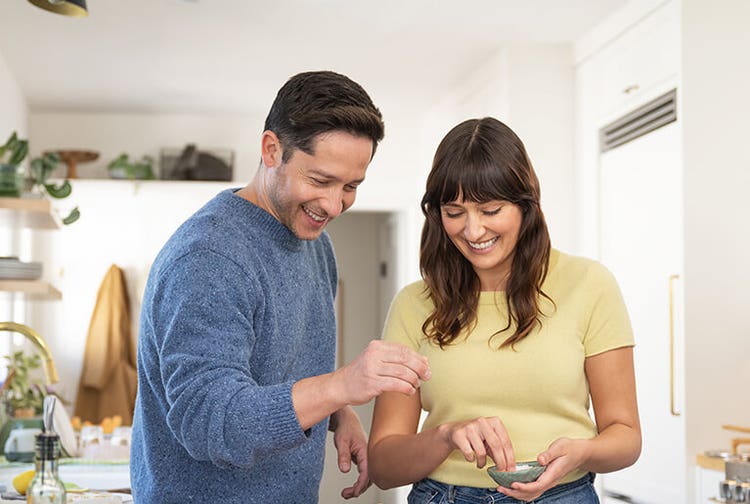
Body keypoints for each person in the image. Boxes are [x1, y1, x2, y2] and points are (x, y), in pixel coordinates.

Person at [130, 71, 431, 503]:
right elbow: (210, 422)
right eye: (320, 180)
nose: (333, 205)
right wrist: (340, 386)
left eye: (351, 187)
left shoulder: (315, 246)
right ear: (272, 149)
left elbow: (274, 374)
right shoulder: (210, 258)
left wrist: (335, 412)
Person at [368, 117, 641, 503]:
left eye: (490, 209)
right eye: (454, 211)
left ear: (525, 205)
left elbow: (626, 435)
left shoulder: (589, 284)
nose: (473, 230)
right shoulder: (414, 305)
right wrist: (444, 437)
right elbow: (382, 465)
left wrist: (582, 451)